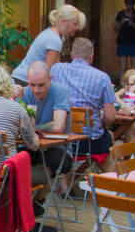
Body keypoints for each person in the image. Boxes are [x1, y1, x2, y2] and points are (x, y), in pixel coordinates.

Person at [49, 37, 117, 172]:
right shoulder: (102, 77)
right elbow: (110, 117)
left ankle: (64, 186)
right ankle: (112, 181)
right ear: (92, 56)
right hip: (90, 141)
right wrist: (101, 122)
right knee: (108, 137)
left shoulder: (55, 69)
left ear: (71, 54)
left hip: (62, 139)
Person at [0, 64, 41, 184]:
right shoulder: (16, 109)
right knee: (43, 176)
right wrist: (35, 134)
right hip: (6, 175)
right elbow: (33, 146)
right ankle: (31, 203)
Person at [13, 5, 85, 82]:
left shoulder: (49, 33)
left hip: (22, 79)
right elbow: (49, 73)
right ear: (63, 22)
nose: (78, 28)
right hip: (25, 81)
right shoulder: (55, 40)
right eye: (75, 24)